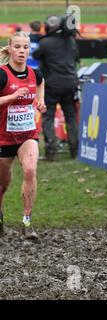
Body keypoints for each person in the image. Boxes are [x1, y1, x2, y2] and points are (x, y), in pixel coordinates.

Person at [0, 31, 47, 240]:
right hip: (3, 137)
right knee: (2, 184)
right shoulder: (2, 74)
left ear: (30, 49)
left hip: (27, 135)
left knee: (30, 170)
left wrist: (40, 101)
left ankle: (27, 222)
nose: (21, 51)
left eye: (25, 47)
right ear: (10, 48)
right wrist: (11, 97)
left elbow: (40, 85)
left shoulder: (35, 73)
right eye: (17, 47)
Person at [32, 15, 79, 160]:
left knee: (48, 117)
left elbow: (36, 55)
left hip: (52, 86)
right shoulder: (71, 41)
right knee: (71, 117)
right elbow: (76, 57)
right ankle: (74, 151)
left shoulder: (45, 42)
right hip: (70, 84)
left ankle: (51, 151)